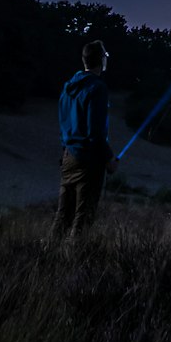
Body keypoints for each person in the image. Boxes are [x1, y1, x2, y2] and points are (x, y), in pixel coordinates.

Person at [52, 39, 119, 236]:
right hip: (88, 161)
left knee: (63, 214)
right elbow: (95, 132)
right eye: (106, 56)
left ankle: (47, 256)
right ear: (101, 60)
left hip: (67, 157)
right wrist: (109, 159)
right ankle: (74, 262)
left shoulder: (68, 87)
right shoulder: (97, 88)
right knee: (83, 216)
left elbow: (65, 122)